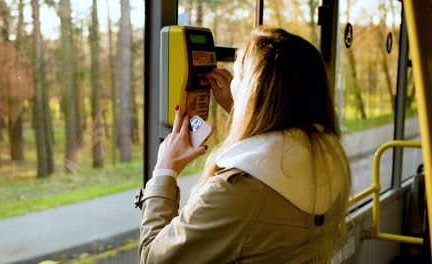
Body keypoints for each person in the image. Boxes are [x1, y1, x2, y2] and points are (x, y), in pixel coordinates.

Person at [135, 26, 351, 264]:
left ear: (254, 90)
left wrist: (165, 171)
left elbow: (155, 258)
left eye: (238, 75)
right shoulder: (328, 153)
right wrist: (242, 111)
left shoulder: (238, 189)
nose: (230, 81)